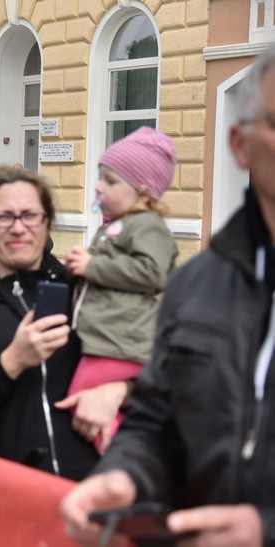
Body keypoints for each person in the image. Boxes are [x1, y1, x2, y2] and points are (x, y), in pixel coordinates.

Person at [61, 45, 275, 547]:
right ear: (241, 144)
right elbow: (157, 425)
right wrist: (125, 475)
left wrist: (265, 529)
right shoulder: (196, 285)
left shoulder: (149, 237)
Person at [0, 165, 124, 481]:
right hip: (5, 483)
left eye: (30, 215)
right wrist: (11, 362)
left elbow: (149, 365)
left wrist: (119, 391)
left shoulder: (81, 288)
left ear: (47, 222)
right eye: (4, 217)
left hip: (89, 480)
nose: (18, 228)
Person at [60, 127, 179, 454]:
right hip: (107, 338)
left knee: (80, 401)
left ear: (143, 192)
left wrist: (92, 265)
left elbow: (152, 272)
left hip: (121, 342)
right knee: (87, 404)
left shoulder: (148, 226)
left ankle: (123, 462)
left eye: (110, 181)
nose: (99, 187)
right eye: (101, 178)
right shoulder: (119, 224)